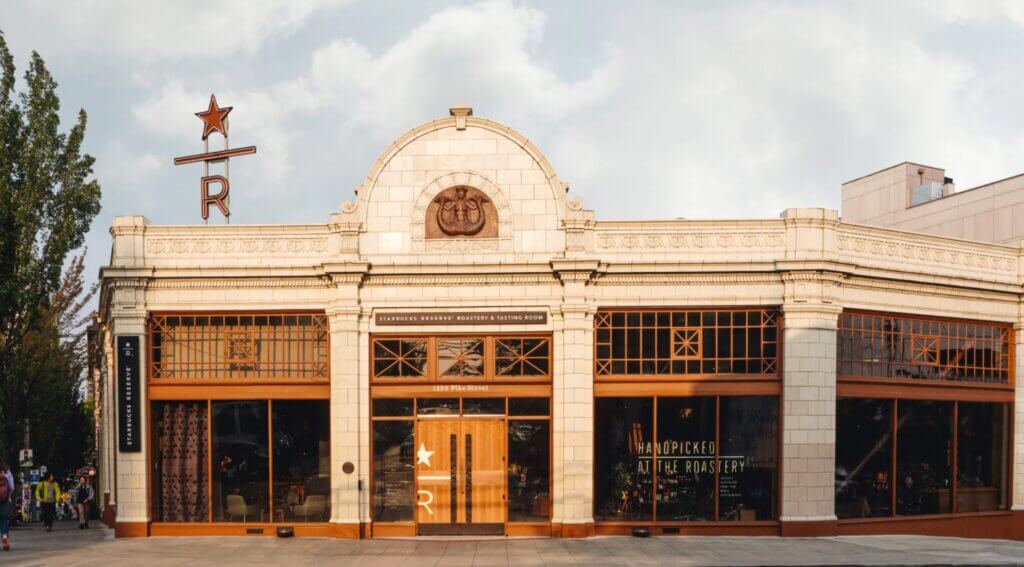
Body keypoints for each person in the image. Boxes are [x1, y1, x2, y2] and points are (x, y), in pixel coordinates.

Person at [0, 462, 13, 551]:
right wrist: (9, 496)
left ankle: (4, 537)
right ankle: (4, 535)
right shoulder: (8, 472)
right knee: (3, 518)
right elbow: (12, 487)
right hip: (5, 499)